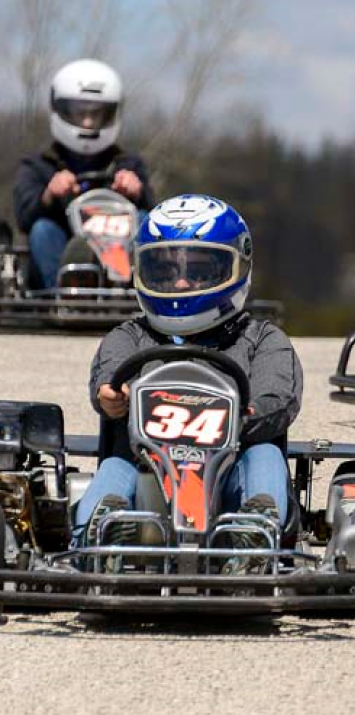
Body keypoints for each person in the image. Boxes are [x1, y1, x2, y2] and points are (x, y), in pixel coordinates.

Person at [72, 194, 303, 570]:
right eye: (164, 271)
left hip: (229, 473)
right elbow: (108, 380)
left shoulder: (263, 338)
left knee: (266, 455)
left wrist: (237, 414)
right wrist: (112, 397)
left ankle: (253, 539)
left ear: (237, 267)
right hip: (147, 469)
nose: (180, 282)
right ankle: (100, 538)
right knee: (117, 466)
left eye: (198, 271)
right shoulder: (129, 336)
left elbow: (277, 399)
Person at [13, 58, 154, 289]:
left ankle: (133, 293)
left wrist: (137, 192)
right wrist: (49, 195)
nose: (88, 122)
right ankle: (63, 294)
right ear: (61, 110)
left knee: (143, 218)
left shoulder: (127, 164)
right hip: (63, 248)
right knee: (42, 229)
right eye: (79, 113)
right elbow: (23, 219)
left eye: (96, 114)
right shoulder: (38, 165)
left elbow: (156, 213)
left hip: (117, 252)